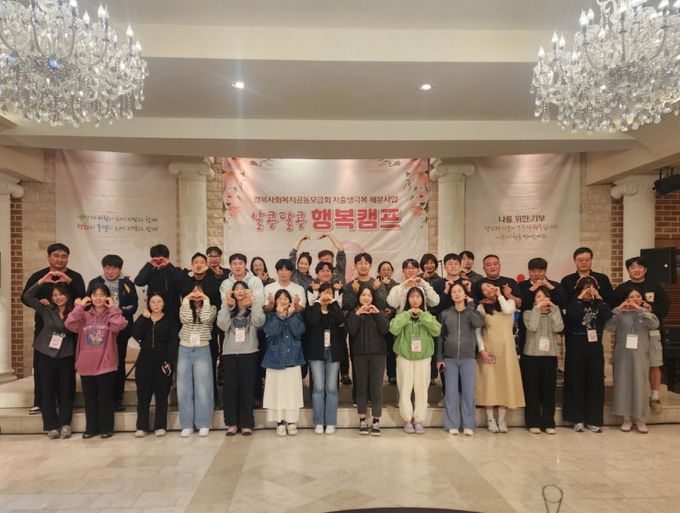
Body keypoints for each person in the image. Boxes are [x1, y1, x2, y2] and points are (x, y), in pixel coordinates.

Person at [21, 242, 85, 415]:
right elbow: (25, 298)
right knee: (41, 366)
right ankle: (40, 401)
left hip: (68, 329)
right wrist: (40, 296)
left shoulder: (75, 276)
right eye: (56, 256)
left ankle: (66, 402)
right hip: (45, 328)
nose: (60, 259)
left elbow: (83, 298)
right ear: (49, 257)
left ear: (68, 258)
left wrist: (69, 281)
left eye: (64, 256)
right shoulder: (39, 275)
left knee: (67, 368)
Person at [65, 284, 128, 439]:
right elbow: (69, 324)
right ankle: (91, 428)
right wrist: (80, 307)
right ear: (90, 297)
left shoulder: (112, 314)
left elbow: (120, 325)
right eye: (95, 294)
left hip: (106, 363)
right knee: (90, 399)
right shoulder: (83, 315)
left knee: (106, 398)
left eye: (102, 294)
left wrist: (113, 308)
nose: (98, 298)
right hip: (87, 364)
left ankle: (106, 428)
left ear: (107, 297)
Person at [614, 256, 670, 414]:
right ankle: (630, 400)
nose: (636, 270)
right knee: (629, 365)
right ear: (628, 270)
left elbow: (665, 305)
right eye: (632, 267)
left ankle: (655, 397)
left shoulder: (656, 287)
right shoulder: (622, 289)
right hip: (629, 334)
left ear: (645, 269)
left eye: (639, 267)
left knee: (654, 363)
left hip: (651, 332)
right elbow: (613, 309)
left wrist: (649, 308)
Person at [22, 279, 76, 439]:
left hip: (66, 354)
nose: (58, 298)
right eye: (54, 295)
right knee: (47, 390)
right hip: (46, 354)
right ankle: (50, 425)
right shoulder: (46, 308)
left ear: (67, 296)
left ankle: (65, 424)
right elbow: (27, 297)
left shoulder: (75, 311)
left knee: (66, 390)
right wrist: (41, 281)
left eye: (61, 294)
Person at [86, 254, 138, 412]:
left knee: (118, 363)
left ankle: (117, 398)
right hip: (99, 329)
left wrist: (119, 310)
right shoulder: (95, 282)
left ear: (120, 269)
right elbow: (88, 305)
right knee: (100, 362)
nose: (110, 271)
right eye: (107, 268)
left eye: (114, 268)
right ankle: (100, 397)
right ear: (103, 268)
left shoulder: (127, 284)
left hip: (120, 329)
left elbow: (133, 306)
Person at [563, 276, 612, 433]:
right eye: (586, 289)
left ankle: (594, 420)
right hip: (576, 344)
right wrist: (580, 298)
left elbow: (608, 316)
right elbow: (572, 316)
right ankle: (577, 419)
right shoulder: (574, 303)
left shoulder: (599, 304)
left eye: (592, 289)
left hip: (595, 345)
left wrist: (599, 298)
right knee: (575, 381)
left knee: (595, 382)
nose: (589, 292)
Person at [606, 289, 660, 434]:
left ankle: (640, 419)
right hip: (622, 355)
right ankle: (626, 419)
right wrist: (619, 309)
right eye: (631, 296)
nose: (635, 298)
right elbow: (609, 326)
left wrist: (640, 309)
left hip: (641, 355)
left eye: (638, 296)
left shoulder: (645, 312)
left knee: (640, 385)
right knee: (623, 384)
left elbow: (655, 324)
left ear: (642, 299)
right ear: (626, 299)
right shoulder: (620, 313)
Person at [389, 287, 441, 434]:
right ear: (407, 299)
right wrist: (407, 315)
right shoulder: (402, 315)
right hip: (404, 357)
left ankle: (418, 420)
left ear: (422, 299)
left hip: (423, 358)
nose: (415, 299)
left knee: (422, 390)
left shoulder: (428, 316)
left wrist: (423, 316)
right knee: (405, 389)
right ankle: (407, 419)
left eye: (418, 296)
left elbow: (437, 330)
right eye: (412, 297)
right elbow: (393, 329)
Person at [475, 280, 525, 433]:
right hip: (489, 348)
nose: (488, 290)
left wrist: (500, 295)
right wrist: (482, 350)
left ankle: (502, 420)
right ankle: (490, 419)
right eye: (484, 289)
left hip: (507, 350)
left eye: (489, 286)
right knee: (489, 384)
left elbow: (508, 311)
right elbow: (477, 332)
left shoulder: (508, 302)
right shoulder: (481, 307)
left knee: (505, 382)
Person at [216, 280, 265, 436]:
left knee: (247, 388)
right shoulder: (227, 307)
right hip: (229, 353)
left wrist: (252, 303)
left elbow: (259, 322)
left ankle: (246, 423)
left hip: (249, 352)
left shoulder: (253, 307)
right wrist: (227, 306)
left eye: (243, 288)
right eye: (236, 289)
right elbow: (222, 325)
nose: (239, 291)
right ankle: (231, 423)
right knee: (230, 389)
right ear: (232, 292)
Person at [436, 283, 484, 436]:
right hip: (449, 359)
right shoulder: (445, 314)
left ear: (465, 294)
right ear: (451, 296)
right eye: (454, 292)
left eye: (460, 291)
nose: (457, 294)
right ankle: (452, 424)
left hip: (468, 358)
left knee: (468, 392)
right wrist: (439, 357)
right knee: (451, 392)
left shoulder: (472, 312)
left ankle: (469, 424)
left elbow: (479, 323)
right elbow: (440, 337)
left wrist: (470, 307)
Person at [131, 293, 178, 437]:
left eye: (159, 301)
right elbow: (135, 334)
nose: (156, 304)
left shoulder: (169, 320)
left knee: (162, 395)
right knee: (143, 396)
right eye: (153, 302)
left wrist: (170, 361)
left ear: (164, 303)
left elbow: (173, 343)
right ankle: (141, 426)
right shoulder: (144, 318)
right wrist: (143, 319)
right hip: (144, 361)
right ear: (148, 304)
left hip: (163, 362)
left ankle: (160, 426)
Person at [261, 289, 306, 436]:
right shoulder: (271, 316)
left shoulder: (296, 315)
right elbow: (270, 331)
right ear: (275, 302)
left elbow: (299, 331)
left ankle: (292, 421)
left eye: (286, 298)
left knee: (292, 391)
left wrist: (291, 315)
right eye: (280, 298)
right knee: (277, 392)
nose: (283, 301)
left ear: (290, 301)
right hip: (275, 359)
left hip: (293, 358)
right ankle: (279, 421)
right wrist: (280, 316)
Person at [346, 287, 390, 436]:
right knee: (361, 387)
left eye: (369, 295)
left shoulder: (380, 312)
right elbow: (351, 330)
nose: (366, 297)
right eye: (363, 295)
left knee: (376, 387)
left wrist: (378, 314)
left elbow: (385, 330)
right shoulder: (353, 313)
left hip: (378, 355)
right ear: (359, 297)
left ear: (373, 298)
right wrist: (358, 314)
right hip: (359, 354)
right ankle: (362, 419)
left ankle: (376, 420)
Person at [305, 283, 346, 435]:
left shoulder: (335, 309)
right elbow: (313, 321)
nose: (327, 295)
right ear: (319, 294)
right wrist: (318, 302)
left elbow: (341, 321)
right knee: (318, 388)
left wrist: (333, 302)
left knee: (331, 388)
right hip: (316, 352)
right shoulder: (312, 308)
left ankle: (330, 422)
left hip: (333, 353)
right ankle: (318, 422)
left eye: (330, 292)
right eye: (324, 292)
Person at [522, 286, 564, 435]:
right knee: (532, 390)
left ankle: (548, 423)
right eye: (538, 297)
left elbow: (559, 327)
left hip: (550, 355)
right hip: (531, 356)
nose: (542, 299)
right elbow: (532, 327)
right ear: (534, 299)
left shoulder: (554, 312)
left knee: (549, 391)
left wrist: (555, 310)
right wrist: (537, 309)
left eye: (545, 297)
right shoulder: (528, 313)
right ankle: (532, 422)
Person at [177, 285, 217, 437]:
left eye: (200, 291)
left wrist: (206, 300)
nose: (197, 294)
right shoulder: (185, 307)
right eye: (194, 291)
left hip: (202, 348)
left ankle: (203, 423)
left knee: (203, 386)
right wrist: (186, 300)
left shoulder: (211, 308)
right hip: (184, 348)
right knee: (184, 387)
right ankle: (187, 424)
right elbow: (185, 319)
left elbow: (206, 319)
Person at [342, 252, 387, 385]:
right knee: (357, 367)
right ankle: (357, 394)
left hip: (375, 332)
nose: (363, 266)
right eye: (360, 263)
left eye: (366, 263)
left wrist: (377, 290)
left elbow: (382, 305)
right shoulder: (350, 285)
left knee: (374, 374)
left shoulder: (377, 283)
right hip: (356, 330)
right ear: (355, 265)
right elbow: (346, 306)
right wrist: (354, 292)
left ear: (370, 265)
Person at [518, 257, 568, 354]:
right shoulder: (522, 285)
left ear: (545, 271)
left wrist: (550, 287)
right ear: (529, 271)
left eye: (540, 271)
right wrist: (533, 287)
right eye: (533, 271)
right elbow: (522, 305)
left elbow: (563, 303)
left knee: (549, 355)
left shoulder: (554, 285)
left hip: (550, 328)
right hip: (529, 327)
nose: (536, 274)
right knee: (526, 353)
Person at [134, 244, 184, 318]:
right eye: (156, 259)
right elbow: (138, 282)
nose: (159, 261)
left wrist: (168, 265)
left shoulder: (175, 270)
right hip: (154, 313)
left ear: (167, 258)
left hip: (173, 313)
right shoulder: (151, 272)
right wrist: (149, 264)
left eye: (162, 259)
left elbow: (182, 283)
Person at [377, 260, 398, 385]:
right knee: (379, 350)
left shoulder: (397, 285)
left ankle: (392, 374)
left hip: (392, 321)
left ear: (392, 272)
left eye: (388, 270)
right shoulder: (374, 284)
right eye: (383, 269)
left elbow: (399, 302)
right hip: (378, 321)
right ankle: (378, 376)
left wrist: (392, 310)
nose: (386, 272)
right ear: (378, 272)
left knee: (391, 349)